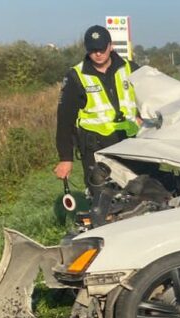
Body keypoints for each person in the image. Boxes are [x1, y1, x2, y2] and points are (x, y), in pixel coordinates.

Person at [55, 25, 140, 193]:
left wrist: (142, 117)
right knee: (103, 197)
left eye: (101, 49)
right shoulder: (75, 76)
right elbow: (65, 120)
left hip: (132, 143)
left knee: (139, 191)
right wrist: (65, 158)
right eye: (93, 50)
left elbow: (151, 99)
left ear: (110, 46)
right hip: (96, 149)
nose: (98, 54)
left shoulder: (130, 68)